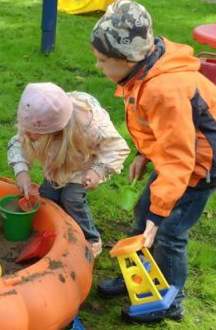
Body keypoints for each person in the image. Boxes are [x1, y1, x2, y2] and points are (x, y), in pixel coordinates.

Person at [90, 0, 216, 323]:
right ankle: (137, 271)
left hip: (202, 166)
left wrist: (157, 217)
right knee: (144, 210)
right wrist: (144, 154)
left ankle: (171, 298)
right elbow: (157, 129)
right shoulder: (144, 71)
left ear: (128, 58)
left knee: (169, 230)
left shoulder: (163, 88)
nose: (98, 67)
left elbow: (179, 159)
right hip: (179, 157)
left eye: (103, 61)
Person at [7, 82, 130, 257]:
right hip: (56, 163)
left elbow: (116, 147)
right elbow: (19, 143)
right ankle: (56, 231)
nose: (27, 134)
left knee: (71, 198)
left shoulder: (89, 126)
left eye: (32, 132)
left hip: (82, 165)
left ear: (54, 130)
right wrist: (21, 171)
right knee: (48, 196)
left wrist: (98, 171)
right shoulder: (35, 120)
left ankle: (91, 239)